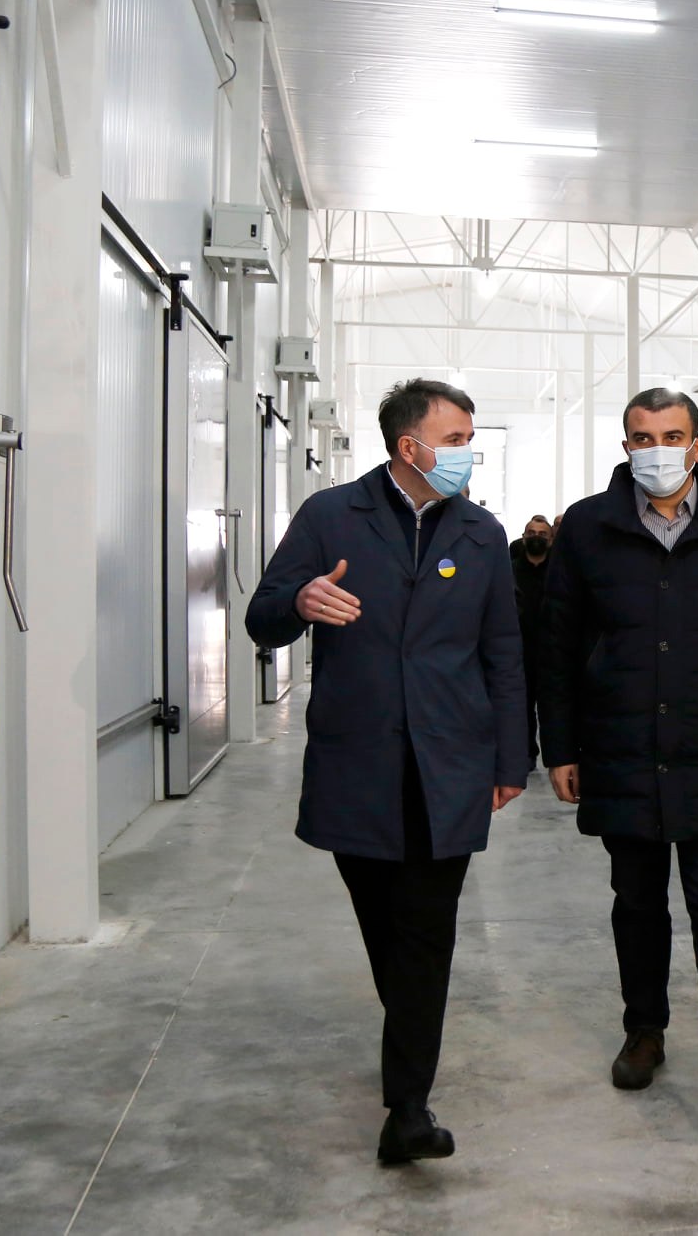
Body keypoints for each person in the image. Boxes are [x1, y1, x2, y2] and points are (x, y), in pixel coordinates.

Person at [247, 378, 527, 1166]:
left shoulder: (481, 534)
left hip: (450, 761)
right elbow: (262, 616)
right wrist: (301, 599)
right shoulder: (331, 516)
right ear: (411, 447)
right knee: (388, 931)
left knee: (427, 934)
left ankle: (408, 1108)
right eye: (457, 439)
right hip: (359, 761)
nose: (467, 452)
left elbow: (505, 654)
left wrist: (512, 757)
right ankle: (409, 1054)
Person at [538, 386, 698, 1136]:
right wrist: (560, 747)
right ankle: (644, 1029)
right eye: (643, 437)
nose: (658, 450)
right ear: (626, 446)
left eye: (672, 435)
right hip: (621, 749)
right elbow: (556, 646)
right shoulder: (588, 527)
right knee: (639, 903)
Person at [511, 514, 555, 767]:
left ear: (550, 540)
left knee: (552, 707)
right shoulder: (510, 570)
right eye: (531, 533)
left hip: (552, 650)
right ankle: (526, 753)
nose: (536, 537)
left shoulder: (560, 571)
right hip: (519, 650)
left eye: (542, 534)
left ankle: (556, 756)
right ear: (523, 537)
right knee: (522, 706)